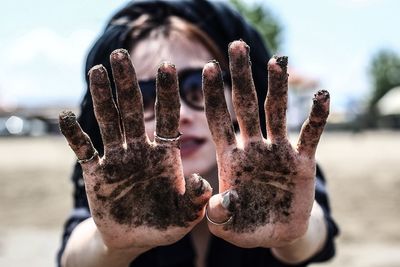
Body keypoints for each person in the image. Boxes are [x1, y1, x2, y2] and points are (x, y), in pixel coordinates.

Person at [57, 1, 339, 267]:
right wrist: (113, 246)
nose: (177, 114)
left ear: (238, 96)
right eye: (142, 96)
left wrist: (293, 233)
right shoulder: (110, 183)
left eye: (197, 87)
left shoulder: (283, 169)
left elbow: (315, 228)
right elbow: (74, 255)